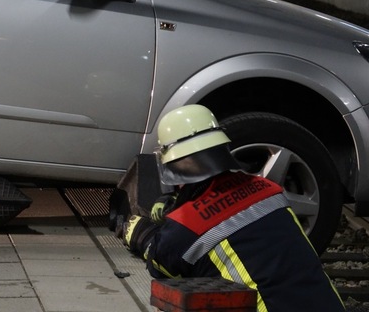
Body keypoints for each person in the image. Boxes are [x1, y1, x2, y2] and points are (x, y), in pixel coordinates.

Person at [121, 104, 344, 312]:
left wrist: (142, 234)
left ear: (172, 166)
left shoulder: (186, 224)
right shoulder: (269, 189)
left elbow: (160, 264)